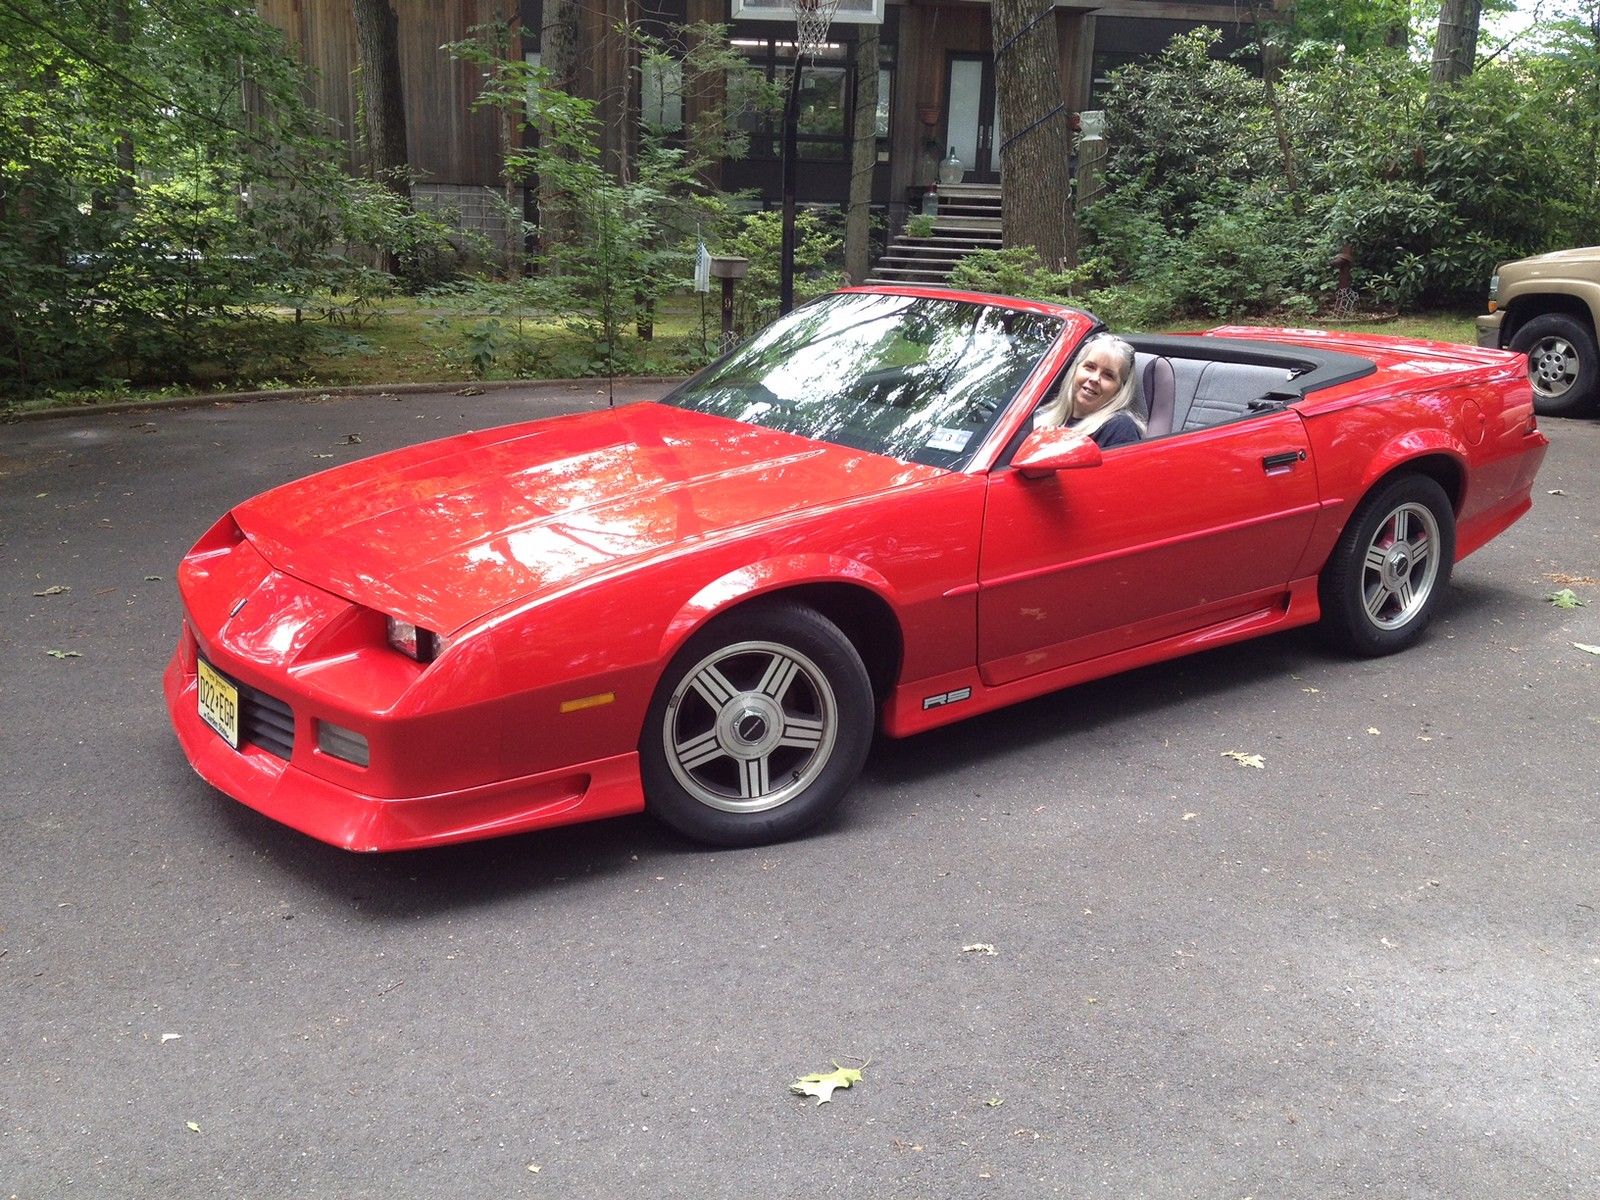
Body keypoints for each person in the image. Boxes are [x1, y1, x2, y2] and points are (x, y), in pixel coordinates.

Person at [1032, 332, 1144, 449]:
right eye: (1090, 367)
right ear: (1075, 369)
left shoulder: (1120, 429)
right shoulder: (1040, 415)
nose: (1094, 378)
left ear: (1120, 389)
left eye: (1108, 375)